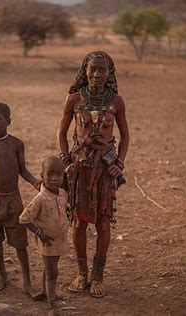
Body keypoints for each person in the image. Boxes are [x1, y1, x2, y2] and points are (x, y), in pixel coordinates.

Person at [57, 51, 130, 298]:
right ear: (84, 71)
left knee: (103, 223)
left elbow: (126, 136)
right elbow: (62, 133)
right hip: (81, 168)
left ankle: (98, 276)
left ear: (110, 74)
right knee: (78, 222)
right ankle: (82, 273)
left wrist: (119, 163)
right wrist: (66, 160)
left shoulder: (117, 102)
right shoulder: (74, 99)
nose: (97, 74)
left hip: (105, 170)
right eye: (92, 69)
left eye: (102, 70)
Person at [0, 102, 41, 295]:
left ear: (8, 121)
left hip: (13, 200)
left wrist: (35, 182)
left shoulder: (16, 144)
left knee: (20, 243)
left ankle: (27, 282)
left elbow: (22, 170)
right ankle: (2, 274)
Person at [19, 156, 69, 309]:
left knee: (49, 268)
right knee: (53, 272)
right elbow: (24, 219)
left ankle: (45, 291)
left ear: (63, 176)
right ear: (42, 176)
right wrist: (39, 233)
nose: (54, 178)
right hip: (47, 241)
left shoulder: (62, 193)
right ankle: (51, 300)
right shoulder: (39, 199)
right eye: (50, 174)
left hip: (59, 240)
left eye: (58, 175)